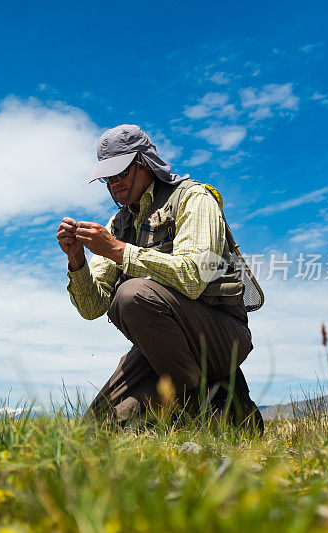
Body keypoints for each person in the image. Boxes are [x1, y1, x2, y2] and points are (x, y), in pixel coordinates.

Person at [56, 124, 262, 428]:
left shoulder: (193, 198)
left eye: (121, 173)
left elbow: (194, 276)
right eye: (107, 177)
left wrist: (117, 250)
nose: (114, 184)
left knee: (131, 295)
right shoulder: (118, 223)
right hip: (162, 345)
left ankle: (204, 409)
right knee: (94, 431)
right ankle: (228, 411)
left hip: (221, 335)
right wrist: (77, 262)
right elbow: (92, 309)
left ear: (145, 163)